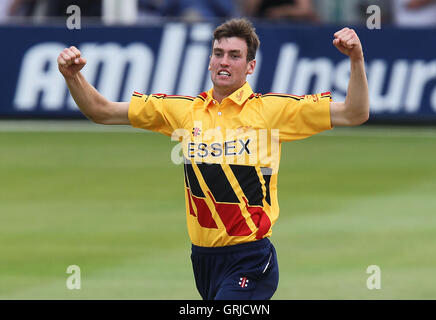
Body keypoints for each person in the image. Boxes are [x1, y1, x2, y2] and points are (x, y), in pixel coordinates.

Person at [57, 18, 369, 300]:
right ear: (209, 61)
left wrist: (356, 59)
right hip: (203, 259)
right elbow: (102, 111)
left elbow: (355, 113)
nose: (224, 61)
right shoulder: (182, 111)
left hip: (251, 257)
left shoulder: (272, 111)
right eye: (218, 53)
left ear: (250, 66)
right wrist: (73, 77)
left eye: (235, 56)